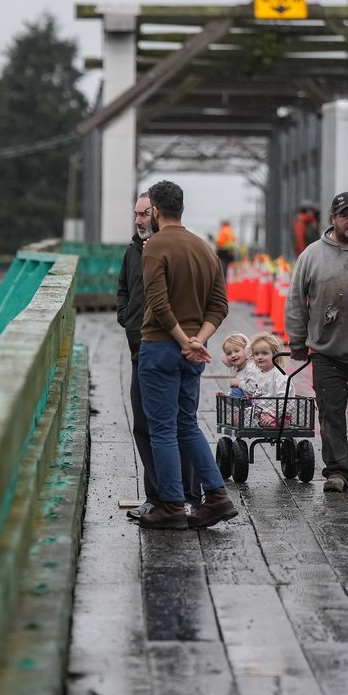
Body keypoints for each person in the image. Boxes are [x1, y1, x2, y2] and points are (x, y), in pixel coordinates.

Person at [138, 180, 236, 530]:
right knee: (187, 424)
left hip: (162, 347)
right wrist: (199, 340)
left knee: (162, 429)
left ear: (155, 211)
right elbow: (220, 304)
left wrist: (182, 339)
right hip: (195, 352)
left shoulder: (154, 247)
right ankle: (217, 496)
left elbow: (159, 305)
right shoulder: (205, 248)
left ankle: (172, 505)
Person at [286, 191, 348, 494]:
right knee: (331, 413)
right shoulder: (312, 254)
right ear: (333, 219)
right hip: (327, 351)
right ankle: (337, 471)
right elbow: (296, 301)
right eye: (344, 215)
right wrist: (297, 341)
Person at [117, 192, 199, 519]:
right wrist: (126, 317)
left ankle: (181, 497)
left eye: (144, 214)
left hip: (169, 349)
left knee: (176, 425)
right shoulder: (132, 251)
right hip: (141, 349)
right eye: (135, 214)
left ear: (158, 213)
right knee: (144, 425)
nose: (139, 221)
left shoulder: (175, 249)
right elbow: (124, 290)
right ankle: (159, 496)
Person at [235, 331, 288, 428]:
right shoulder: (258, 373)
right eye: (256, 354)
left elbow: (285, 400)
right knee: (238, 419)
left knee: (261, 422)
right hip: (262, 411)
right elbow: (255, 391)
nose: (259, 357)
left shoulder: (279, 375)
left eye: (264, 353)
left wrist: (274, 415)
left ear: (275, 355)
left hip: (278, 414)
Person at [220, 332, 249, 397]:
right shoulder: (239, 372)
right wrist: (225, 396)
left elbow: (255, 389)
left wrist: (239, 384)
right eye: (229, 353)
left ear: (247, 351)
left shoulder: (252, 369)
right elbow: (238, 397)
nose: (233, 355)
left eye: (237, 351)